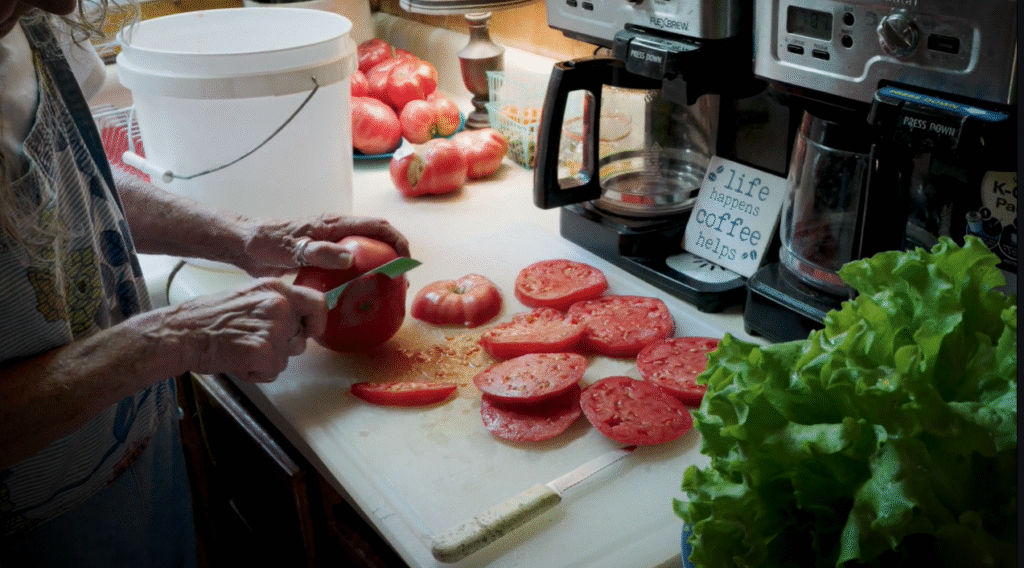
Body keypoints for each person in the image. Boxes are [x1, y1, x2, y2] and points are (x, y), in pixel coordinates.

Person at [0, 0, 410, 566]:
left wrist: (245, 235)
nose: (64, 4)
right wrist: (172, 338)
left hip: (137, 457)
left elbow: (74, 175)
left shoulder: (31, 20)